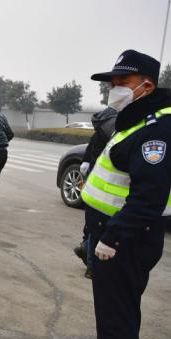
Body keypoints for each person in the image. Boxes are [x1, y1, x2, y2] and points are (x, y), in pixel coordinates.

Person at [66, 49, 171, 339]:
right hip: (111, 233)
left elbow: (149, 198)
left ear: (146, 85)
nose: (115, 90)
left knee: (119, 317)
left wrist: (112, 238)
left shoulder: (158, 128)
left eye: (122, 84)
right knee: (110, 314)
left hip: (126, 239)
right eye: (112, 85)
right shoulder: (137, 118)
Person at [73, 106, 118, 278]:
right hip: (108, 185)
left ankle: (86, 249)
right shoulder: (117, 129)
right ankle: (91, 264)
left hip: (95, 180)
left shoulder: (101, 129)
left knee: (93, 225)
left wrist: (85, 163)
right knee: (98, 228)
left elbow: (90, 148)